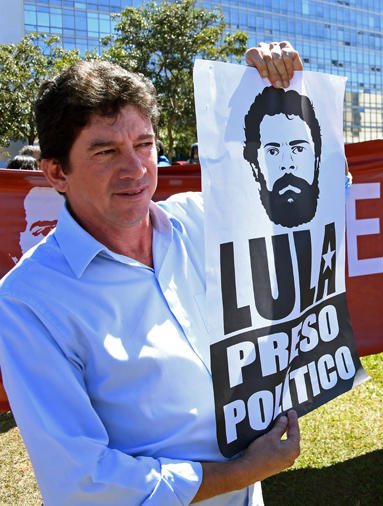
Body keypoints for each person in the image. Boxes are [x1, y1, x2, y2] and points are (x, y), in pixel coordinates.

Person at [0, 41, 304, 505]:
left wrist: (282, 92)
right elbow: (84, 484)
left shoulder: (200, 220)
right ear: (56, 173)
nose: (136, 169)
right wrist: (239, 472)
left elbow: (309, 208)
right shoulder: (27, 302)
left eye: (144, 144)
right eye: (106, 152)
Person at [243, 87, 321, 227]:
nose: (287, 164)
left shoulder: (338, 197)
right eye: (273, 152)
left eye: (298, 149)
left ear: (317, 159)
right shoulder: (215, 216)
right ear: (254, 166)